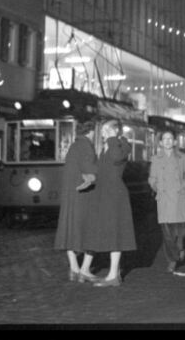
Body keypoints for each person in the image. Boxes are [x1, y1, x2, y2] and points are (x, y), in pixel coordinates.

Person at [81, 120, 137, 287]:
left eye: (106, 130)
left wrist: (112, 138)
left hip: (114, 196)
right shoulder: (107, 147)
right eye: (103, 130)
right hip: (102, 194)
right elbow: (103, 169)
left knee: (115, 232)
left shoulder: (121, 145)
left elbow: (116, 157)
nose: (103, 133)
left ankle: (113, 275)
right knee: (95, 230)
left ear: (115, 131)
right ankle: (85, 268)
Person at [53, 120, 98, 282]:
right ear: (91, 132)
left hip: (70, 196)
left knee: (69, 230)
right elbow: (91, 171)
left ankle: (74, 268)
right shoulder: (87, 146)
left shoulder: (73, 146)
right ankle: (85, 269)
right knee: (92, 231)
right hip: (85, 196)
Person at [148, 129, 185, 275]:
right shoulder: (155, 158)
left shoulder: (182, 157)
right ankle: (173, 259)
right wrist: (156, 186)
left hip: (179, 197)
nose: (167, 141)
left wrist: (183, 185)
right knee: (167, 233)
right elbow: (152, 178)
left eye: (170, 138)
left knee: (182, 229)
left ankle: (179, 247)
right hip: (164, 198)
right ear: (160, 143)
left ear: (174, 142)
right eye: (164, 139)